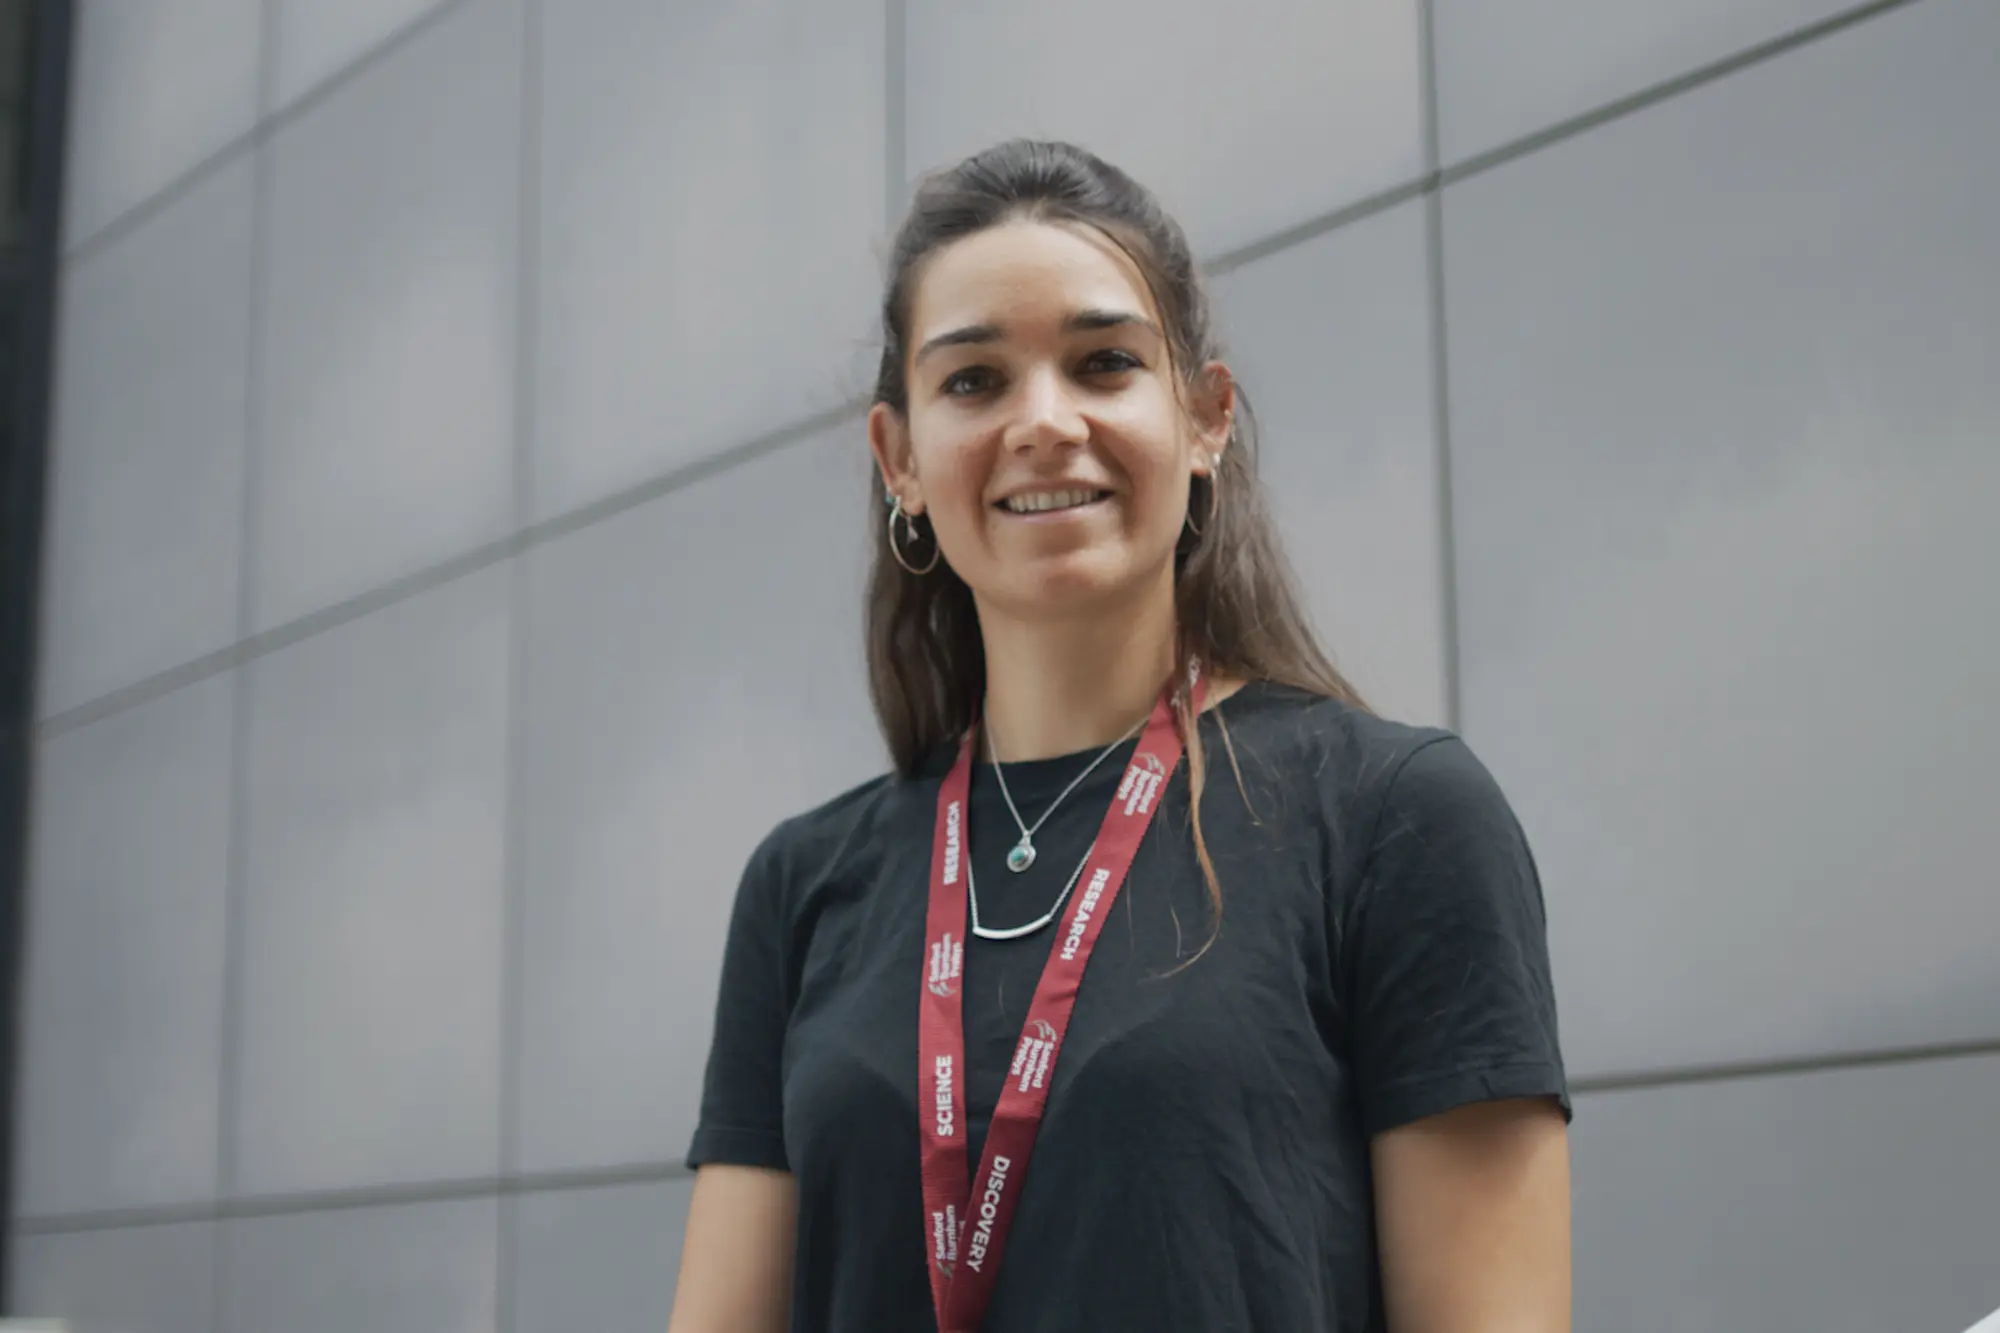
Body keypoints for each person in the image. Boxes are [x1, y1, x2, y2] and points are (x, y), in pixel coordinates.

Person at [668, 139, 1571, 1333]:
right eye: (975, 381)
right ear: (899, 458)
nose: (1044, 422)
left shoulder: (1394, 818)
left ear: (1203, 417)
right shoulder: (802, 883)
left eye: (1102, 364)